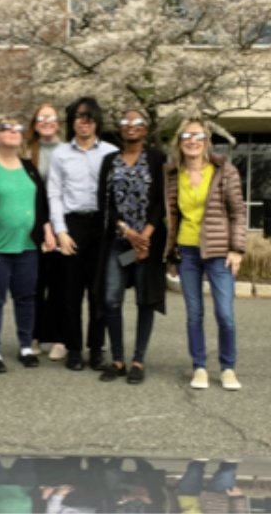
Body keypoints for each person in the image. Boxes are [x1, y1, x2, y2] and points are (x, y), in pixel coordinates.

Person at [164, 118, 246, 391]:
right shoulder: (173, 173)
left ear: (206, 140)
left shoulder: (224, 170)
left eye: (197, 136)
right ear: (180, 141)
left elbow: (237, 212)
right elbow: (172, 216)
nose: (192, 140)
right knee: (194, 313)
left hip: (219, 252)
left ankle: (228, 368)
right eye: (186, 135)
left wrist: (237, 249)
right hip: (187, 251)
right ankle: (199, 366)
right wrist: (170, 254)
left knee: (225, 313)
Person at [0, 115, 53, 373]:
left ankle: (25, 346)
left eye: (17, 128)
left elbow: (41, 203)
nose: (12, 131)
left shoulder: (29, 167)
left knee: (26, 298)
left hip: (27, 246)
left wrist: (46, 231)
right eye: (5, 128)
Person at [95, 109, 166, 385]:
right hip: (118, 244)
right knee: (112, 299)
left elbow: (160, 201)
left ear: (145, 129)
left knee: (143, 300)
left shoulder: (157, 159)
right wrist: (126, 231)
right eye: (125, 122)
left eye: (137, 123)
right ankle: (117, 359)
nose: (130, 127)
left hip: (146, 246)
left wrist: (144, 237)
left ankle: (138, 359)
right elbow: (106, 203)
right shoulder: (110, 161)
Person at [46, 97, 117, 371]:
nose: (83, 122)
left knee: (98, 292)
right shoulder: (61, 154)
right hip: (72, 225)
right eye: (78, 117)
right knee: (70, 292)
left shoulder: (111, 152)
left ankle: (96, 348)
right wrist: (60, 230)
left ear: (96, 121)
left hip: (101, 227)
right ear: (72, 122)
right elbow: (54, 193)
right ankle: (74, 348)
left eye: (89, 118)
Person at [26, 103, 64, 358]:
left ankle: (60, 337)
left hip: (62, 225)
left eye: (51, 117)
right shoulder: (28, 151)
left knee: (61, 283)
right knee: (35, 284)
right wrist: (42, 227)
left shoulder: (67, 151)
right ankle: (35, 335)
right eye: (41, 117)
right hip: (34, 226)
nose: (46, 121)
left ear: (58, 122)